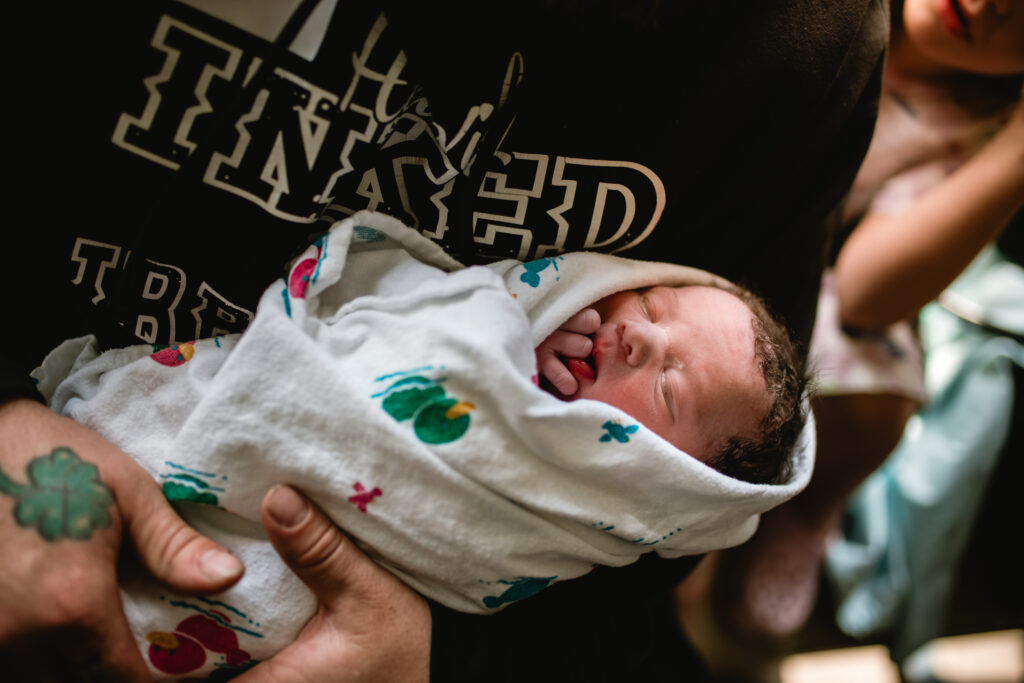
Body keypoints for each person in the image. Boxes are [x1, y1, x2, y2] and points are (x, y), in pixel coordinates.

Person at [0, 1, 888, 680]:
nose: (633, 342)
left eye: (664, 385)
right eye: (638, 314)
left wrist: (414, 651)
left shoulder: (801, 45)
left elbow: (687, 497)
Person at [27, 211, 811, 678]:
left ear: (662, 479)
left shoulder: (582, 517)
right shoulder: (510, 322)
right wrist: (506, 337)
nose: (637, 333)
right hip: (96, 459)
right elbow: (418, 326)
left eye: (670, 389)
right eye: (648, 298)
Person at [708, 0, 1024, 647]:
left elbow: (867, 293)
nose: (996, 6)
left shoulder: (971, 124)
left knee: (875, 387)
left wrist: (1016, 155)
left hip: (803, 272)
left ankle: (803, 510)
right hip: (714, 218)